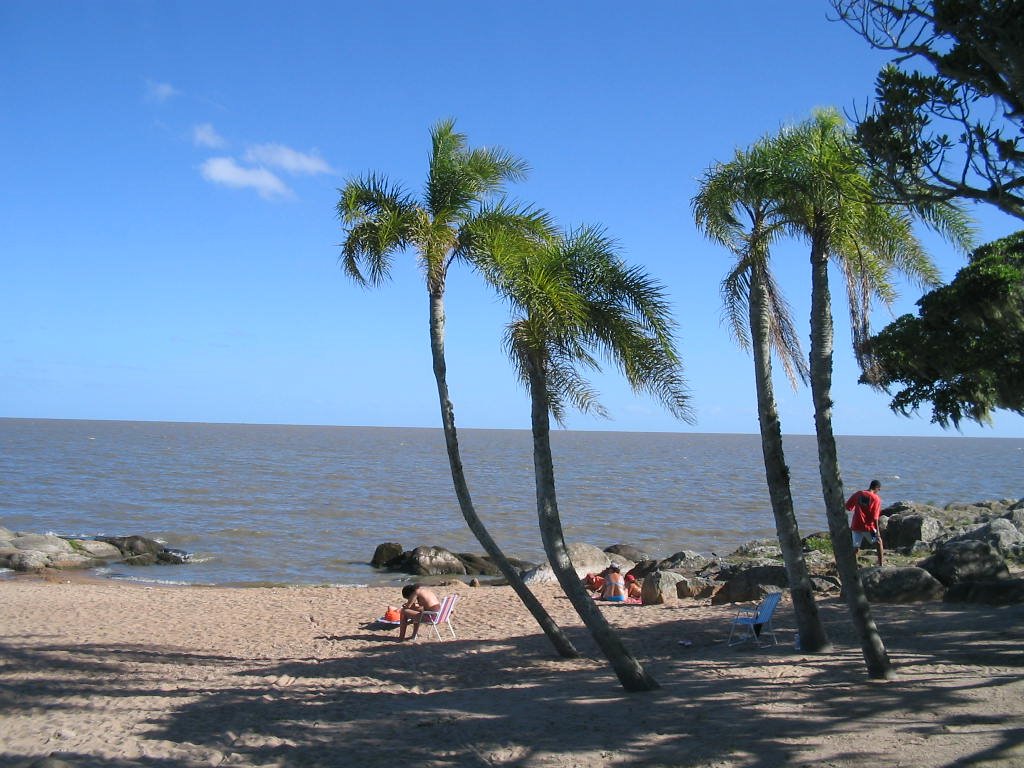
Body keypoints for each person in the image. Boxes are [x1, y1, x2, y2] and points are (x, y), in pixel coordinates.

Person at [845, 479, 884, 566]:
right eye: (879, 490)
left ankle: (850, 565)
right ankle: (881, 564)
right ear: (877, 488)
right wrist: (877, 531)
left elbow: (847, 507)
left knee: (855, 548)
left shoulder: (859, 494)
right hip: (868, 528)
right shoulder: (876, 499)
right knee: (878, 542)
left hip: (856, 526)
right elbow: (875, 517)